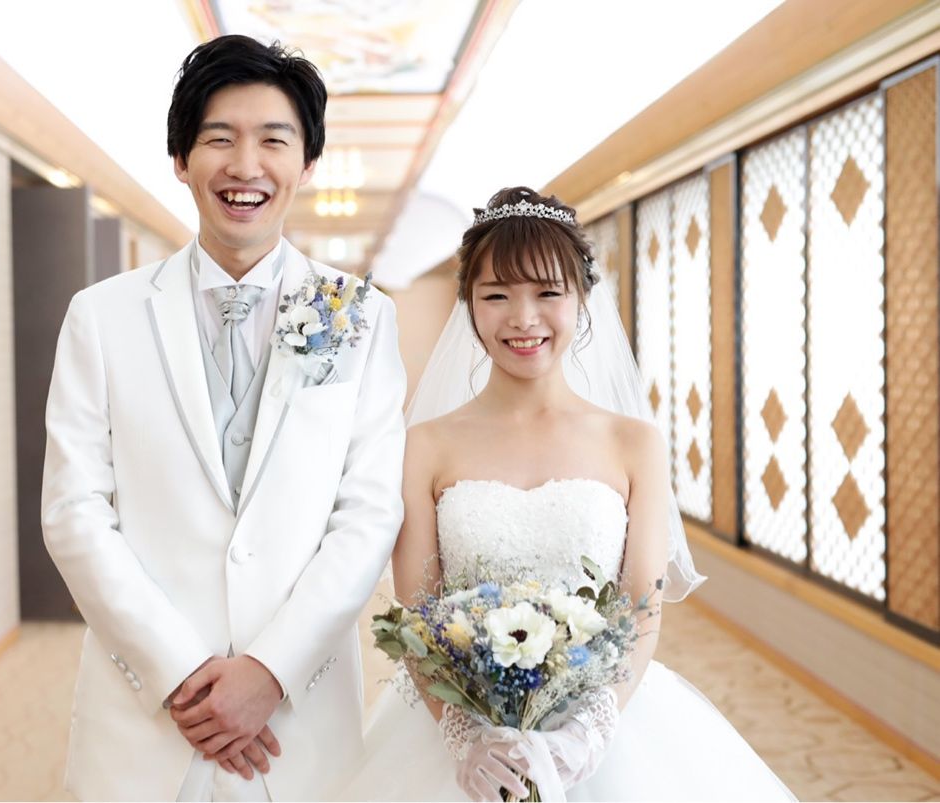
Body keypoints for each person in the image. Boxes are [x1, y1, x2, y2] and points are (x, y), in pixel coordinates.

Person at [41, 34, 406, 801]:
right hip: (145, 722)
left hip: (299, 722)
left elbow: (369, 512)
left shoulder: (360, 316)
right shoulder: (100, 316)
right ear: (180, 159)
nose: (245, 165)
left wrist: (270, 670)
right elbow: (73, 511)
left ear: (308, 162)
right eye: (218, 139)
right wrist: (180, 669)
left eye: (273, 140)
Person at [344, 187, 794, 801]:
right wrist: (464, 736)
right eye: (496, 295)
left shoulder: (634, 442)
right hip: (463, 730)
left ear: (582, 299)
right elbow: (419, 610)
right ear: (468, 305)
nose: (522, 318)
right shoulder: (423, 445)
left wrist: (590, 731)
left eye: (547, 293)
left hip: (608, 724)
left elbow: (640, 609)